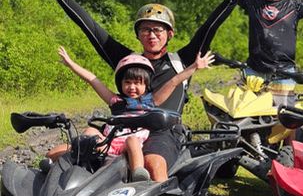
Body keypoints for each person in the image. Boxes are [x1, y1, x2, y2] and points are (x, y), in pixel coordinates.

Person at [29, 0, 237, 196]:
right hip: (122, 128)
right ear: (139, 33)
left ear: (169, 34)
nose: (151, 34)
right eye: (145, 29)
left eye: (158, 29)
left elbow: (209, 27)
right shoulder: (129, 61)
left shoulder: (183, 60)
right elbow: (92, 30)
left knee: (153, 164)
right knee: (76, 156)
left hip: (164, 133)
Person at [55, 47, 214, 183]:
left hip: (131, 145)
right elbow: (93, 79)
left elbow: (173, 81)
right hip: (109, 142)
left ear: (146, 85)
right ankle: (55, 165)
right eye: (128, 82)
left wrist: (194, 66)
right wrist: (70, 64)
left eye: (138, 83)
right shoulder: (115, 100)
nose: (132, 87)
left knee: (132, 141)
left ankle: (139, 172)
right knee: (89, 132)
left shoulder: (151, 101)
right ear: (121, 83)